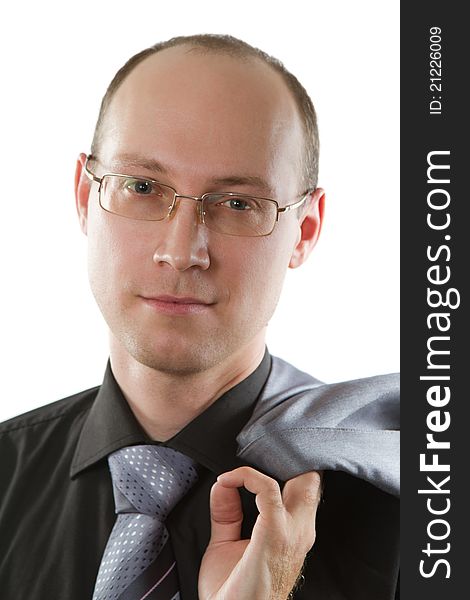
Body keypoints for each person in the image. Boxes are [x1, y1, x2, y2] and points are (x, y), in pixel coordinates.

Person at [0, 34, 399, 599]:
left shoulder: (415, 518)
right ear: (86, 199)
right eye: (141, 187)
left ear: (304, 231)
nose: (182, 251)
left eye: (238, 203)